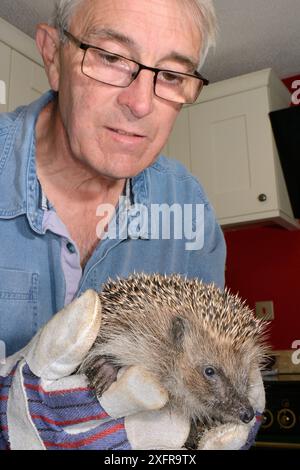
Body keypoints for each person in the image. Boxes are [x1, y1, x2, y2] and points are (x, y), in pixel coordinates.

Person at [0, 0, 263, 450]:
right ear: (52, 55)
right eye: (111, 58)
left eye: (173, 76)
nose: (141, 103)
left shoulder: (188, 206)